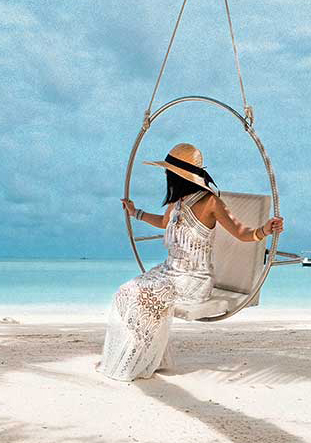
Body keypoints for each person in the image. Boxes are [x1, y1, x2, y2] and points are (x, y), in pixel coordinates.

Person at [98, 143, 284, 381]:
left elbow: (241, 232)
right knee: (124, 293)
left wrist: (264, 230)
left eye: (169, 172)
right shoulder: (177, 202)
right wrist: (136, 213)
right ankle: (145, 354)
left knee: (142, 295)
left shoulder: (210, 202)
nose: (166, 176)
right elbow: (164, 223)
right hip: (169, 272)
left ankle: (142, 358)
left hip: (193, 279)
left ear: (178, 175)